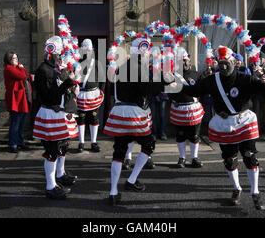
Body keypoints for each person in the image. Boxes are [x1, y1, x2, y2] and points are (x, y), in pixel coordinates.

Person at [182, 46, 265, 210]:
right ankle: (237, 189)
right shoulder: (211, 80)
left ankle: (255, 192)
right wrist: (174, 83)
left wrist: (264, 78)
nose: (224, 66)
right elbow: (193, 90)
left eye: (227, 62)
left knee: (249, 156)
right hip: (224, 124)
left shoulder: (245, 78)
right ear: (217, 62)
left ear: (233, 60)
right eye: (221, 62)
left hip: (244, 121)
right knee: (230, 159)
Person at [103, 37, 164, 206]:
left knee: (119, 151)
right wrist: (163, 81)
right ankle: (131, 180)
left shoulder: (121, 68)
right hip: (135, 112)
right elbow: (147, 90)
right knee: (149, 144)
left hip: (120, 111)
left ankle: (113, 192)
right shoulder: (141, 69)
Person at [32, 36, 76, 199]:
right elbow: (49, 96)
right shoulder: (43, 71)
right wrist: (67, 84)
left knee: (60, 147)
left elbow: (57, 93)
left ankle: (57, 178)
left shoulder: (54, 69)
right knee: (51, 151)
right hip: (49, 113)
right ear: (50, 54)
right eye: (58, 55)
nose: (60, 58)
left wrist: (69, 85)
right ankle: (50, 186)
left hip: (56, 112)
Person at [168, 48, 204, 168]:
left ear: (190, 61)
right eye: (181, 61)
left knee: (194, 135)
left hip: (193, 109)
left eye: (185, 61)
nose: (184, 63)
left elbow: (202, 90)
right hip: (179, 109)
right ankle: (182, 158)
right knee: (180, 135)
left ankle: (194, 158)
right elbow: (168, 94)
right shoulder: (172, 75)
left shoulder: (197, 74)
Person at [76, 39, 105, 153]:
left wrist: (101, 93)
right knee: (81, 118)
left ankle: (93, 142)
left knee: (94, 118)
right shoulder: (77, 64)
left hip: (94, 95)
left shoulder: (97, 63)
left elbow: (102, 80)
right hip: (81, 94)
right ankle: (81, 142)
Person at [3, 51, 32, 153]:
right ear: (9, 60)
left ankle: (20, 142)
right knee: (15, 123)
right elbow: (21, 76)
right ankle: (13, 144)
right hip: (15, 100)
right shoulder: (9, 69)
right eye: (13, 58)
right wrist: (22, 68)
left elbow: (26, 76)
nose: (16, 60)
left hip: (22, 99)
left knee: (21, 123)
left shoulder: (15, 68)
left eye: (16, 58)